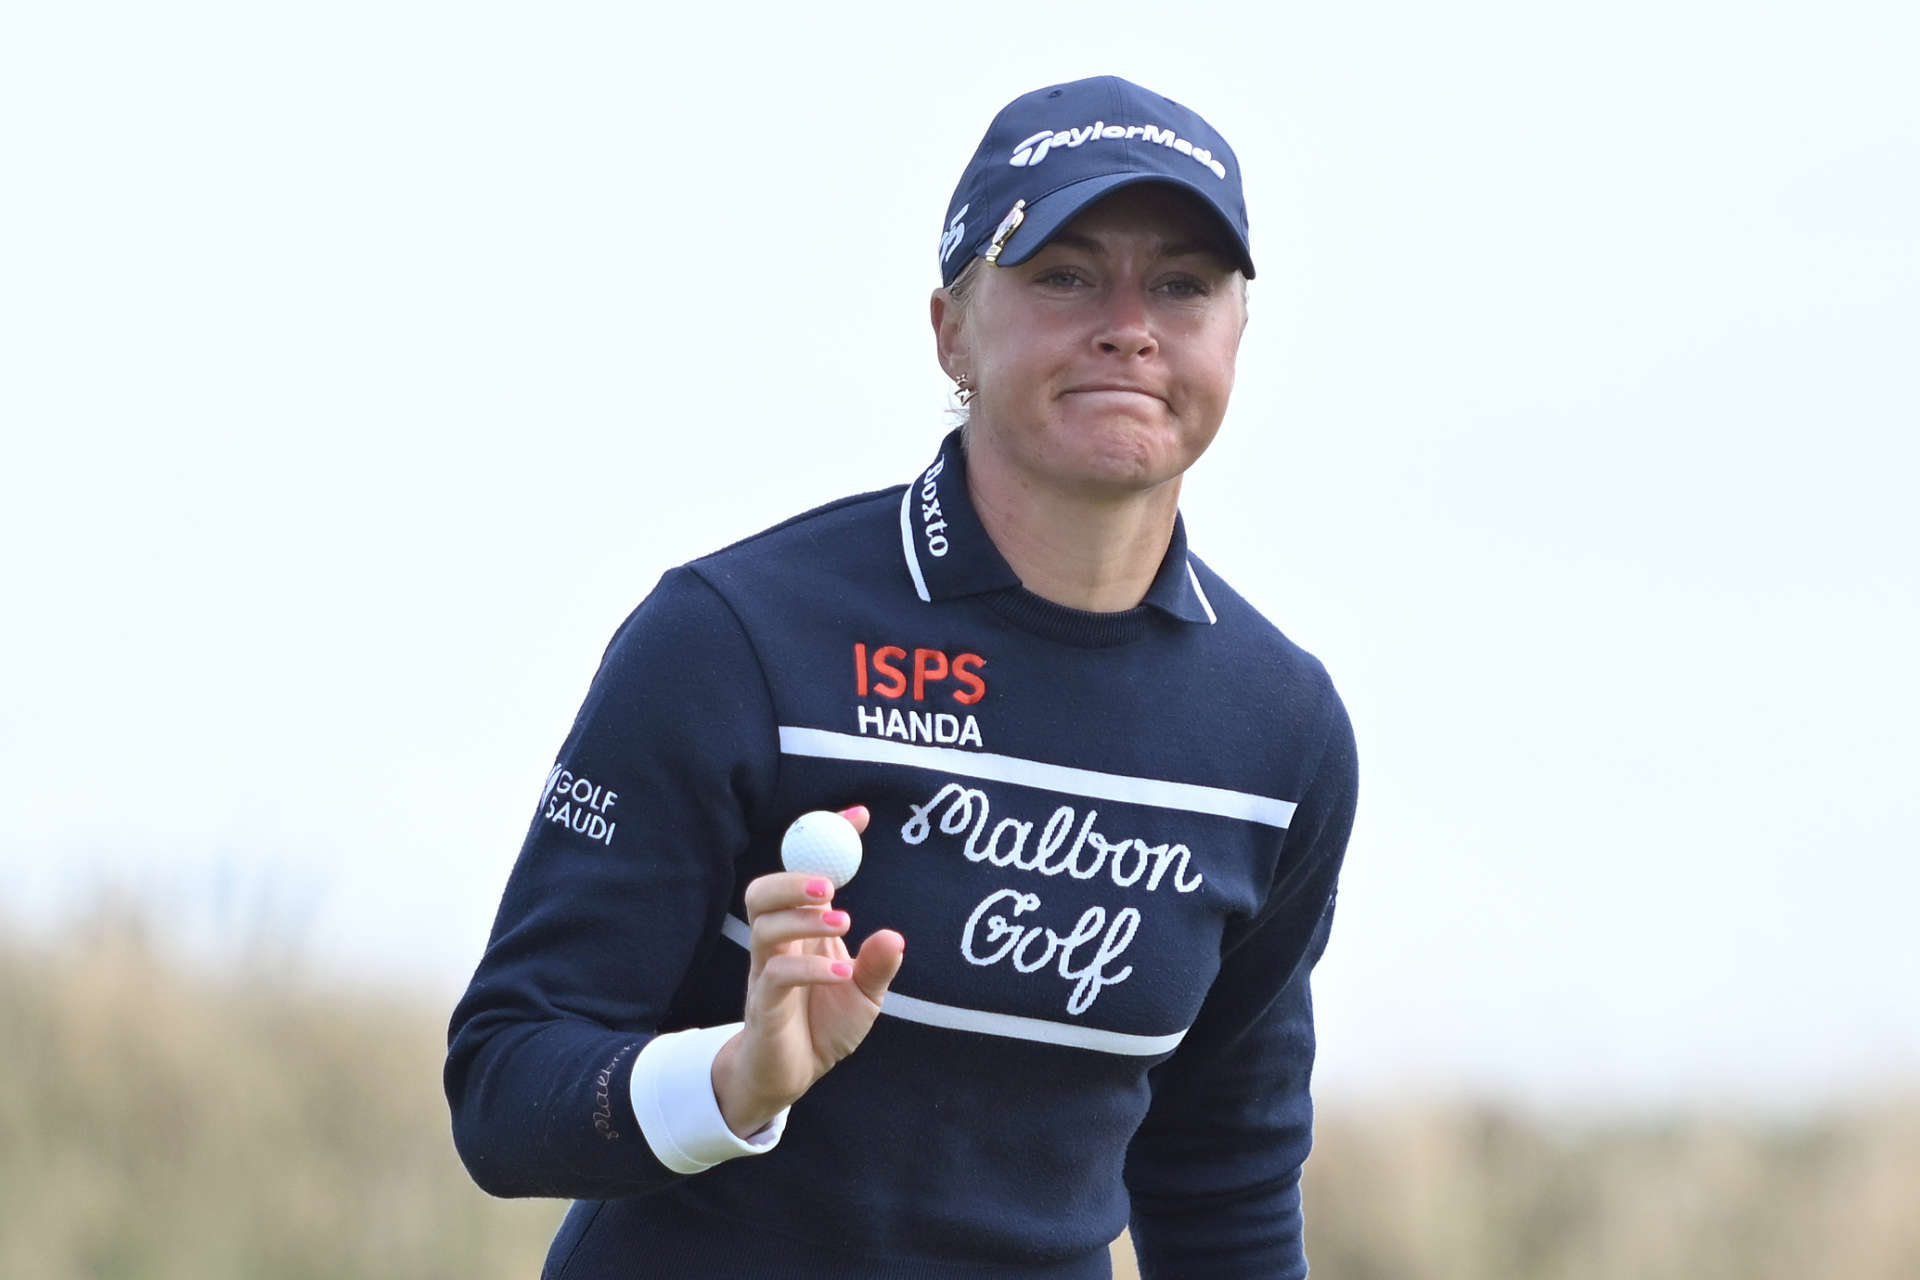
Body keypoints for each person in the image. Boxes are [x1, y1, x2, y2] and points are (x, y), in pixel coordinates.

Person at [446, 74, 1358, 1280]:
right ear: (952, 327)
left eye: (1183, 284)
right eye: (1065, 272)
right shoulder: (735, 637)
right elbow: (506, 1083)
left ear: (1236, 334)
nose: (1130, 323)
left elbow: (1222, 1174)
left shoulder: (1279, 733)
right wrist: (733, 1079)